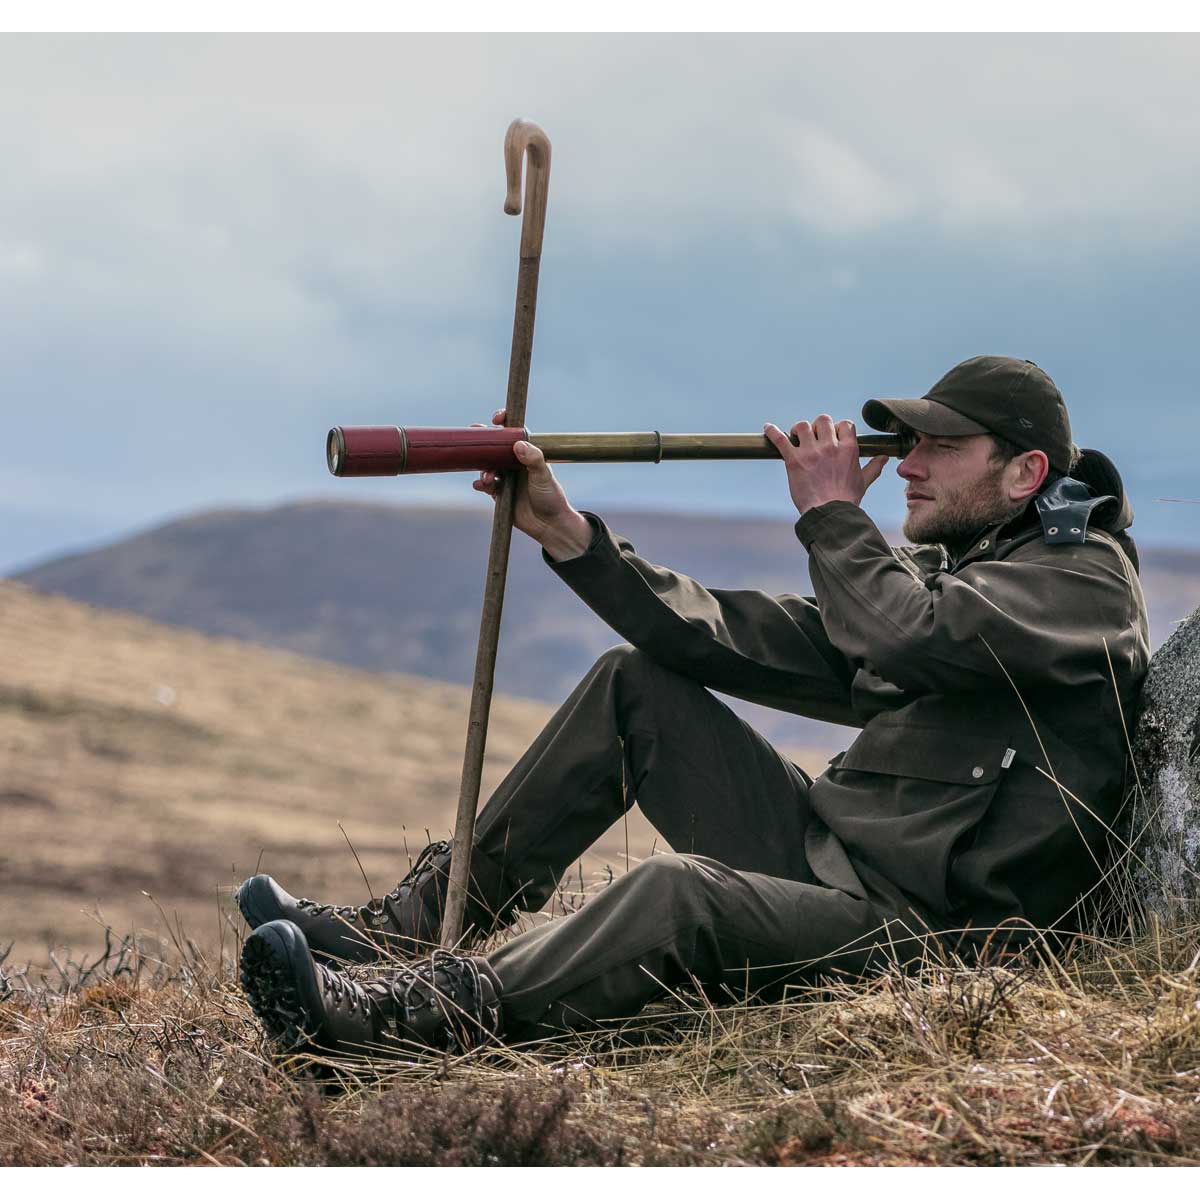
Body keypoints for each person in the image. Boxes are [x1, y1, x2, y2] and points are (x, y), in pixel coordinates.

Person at [236, 355, 1149, 1061]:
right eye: (907, 442)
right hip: (837, 864)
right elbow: (734, 637)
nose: (906, 465)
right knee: (636, 683)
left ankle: (403, 1022)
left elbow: (910, 635)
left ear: (1027, 472)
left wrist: (832, 516)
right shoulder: (961, 576)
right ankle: (412, 929)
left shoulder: (1081, 585)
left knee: (678, 896)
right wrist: (570, 534)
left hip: (937, 938)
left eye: (940, 447)